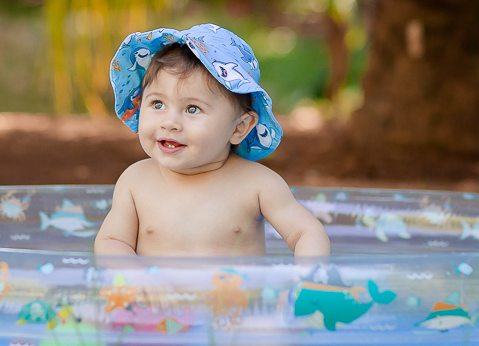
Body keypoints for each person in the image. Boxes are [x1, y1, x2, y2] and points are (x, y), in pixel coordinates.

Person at [95, 24, 330, 258]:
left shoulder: (258, 185)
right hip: (154, 296)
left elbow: (306, 232)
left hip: (236, 296)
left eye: (192, 108)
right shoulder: (136, 181)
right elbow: (112, 241)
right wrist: (130, 279)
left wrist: (308, 279)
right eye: (158, 104)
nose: (170, 122)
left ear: (240, 128)